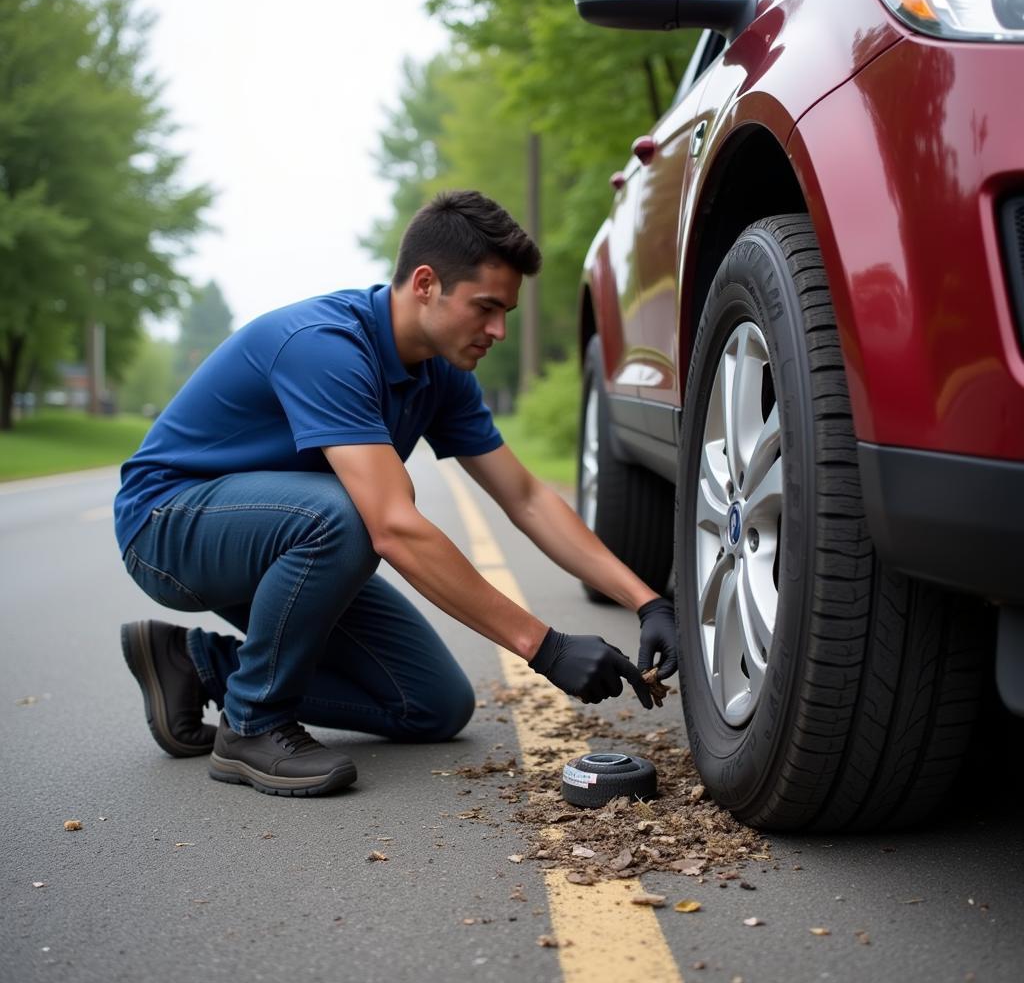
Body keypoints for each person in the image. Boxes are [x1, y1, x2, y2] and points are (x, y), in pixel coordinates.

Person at [114, 190, 677, 798]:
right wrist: (545, 647)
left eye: (507, 312)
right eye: (486, 308)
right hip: (167, 526)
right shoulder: (326, 345)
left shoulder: (443, 372)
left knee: (433, 705)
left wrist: (647, 602)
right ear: (427, 283)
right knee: (349, 518)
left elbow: (527, 498)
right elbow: (392, 526)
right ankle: (252, 722)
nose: (499, 330)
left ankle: (195, 664)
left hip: (281, 536)